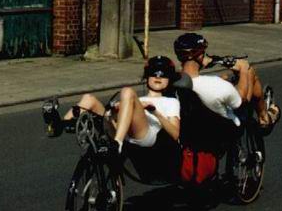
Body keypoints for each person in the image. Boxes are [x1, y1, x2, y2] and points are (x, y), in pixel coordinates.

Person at [42, 56, 181, 156]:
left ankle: (117, 144)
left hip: (145, 135)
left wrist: (154, 111)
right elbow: (116, 116)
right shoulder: (137, 99)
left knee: (127, 91)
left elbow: (175, 134)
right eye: (153, 73)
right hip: (120, 129)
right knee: (89, 99)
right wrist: (115, 111)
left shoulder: (171, 101)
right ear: (147, 76)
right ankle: (59, 125)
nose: (158, 77)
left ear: (170, 79)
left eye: (163, 75)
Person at [172, 33, 280, 131]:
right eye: (203, 53)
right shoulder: (216, 84)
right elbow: (241, 99)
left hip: (194, 128)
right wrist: (243, 68)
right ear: (199, 55)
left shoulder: (174, 81)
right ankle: (264, 118)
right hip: (226, 128)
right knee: (249, 72)